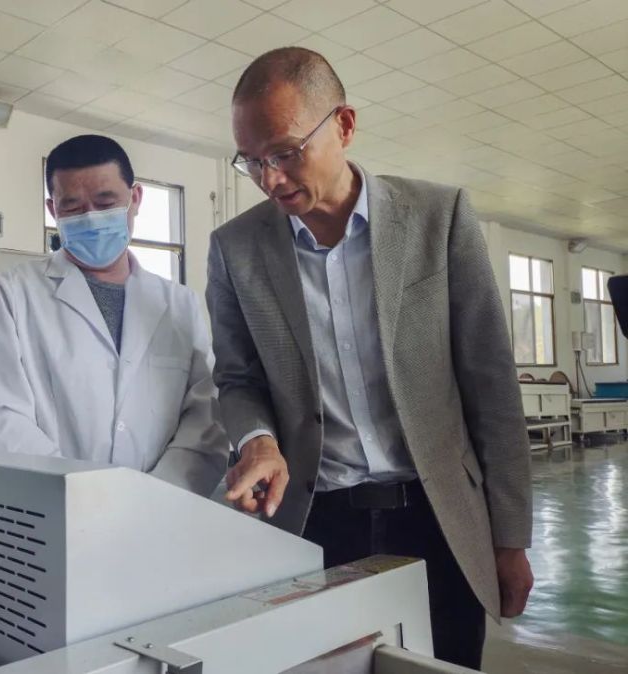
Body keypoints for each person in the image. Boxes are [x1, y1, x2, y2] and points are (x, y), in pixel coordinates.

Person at [206, 47, 533, 669]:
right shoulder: (235, 249)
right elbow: (237, 377)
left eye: (284, 152)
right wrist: (257, 439)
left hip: (439, 519)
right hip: (316, 523)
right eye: (250, 160)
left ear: (345, 125)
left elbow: (491, 385)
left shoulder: (438, 218)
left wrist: (511, 539)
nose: (269, 179)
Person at [0, 134, 228, 495]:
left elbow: (204, 415)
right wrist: (80, 493)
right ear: (52, 209)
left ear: (135, 199)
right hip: (56, 503)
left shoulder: (178, 303)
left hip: (162, 505)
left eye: (106, 203)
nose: (90, 219)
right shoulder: (13, 293)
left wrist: (157, 494)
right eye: (73, 208)